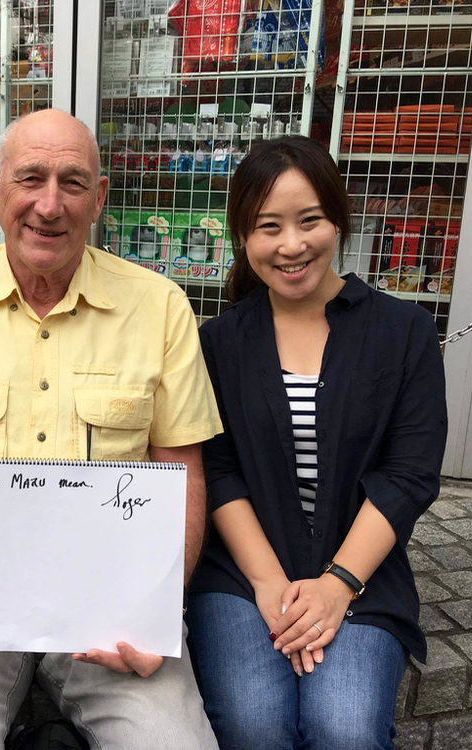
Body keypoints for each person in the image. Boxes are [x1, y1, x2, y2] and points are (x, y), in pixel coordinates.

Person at [0, 108, 221, 750]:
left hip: (110, 605)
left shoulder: (159, 306)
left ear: (99, 198)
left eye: (72, 183)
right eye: (30, 178)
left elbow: (183, 472)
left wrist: (158, 604)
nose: (49, 205)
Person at [185, 136, 447, 750]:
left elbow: (409, 475)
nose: (291, 245)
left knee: (344, 728)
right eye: (268, 226)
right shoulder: (220, 341)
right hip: (243, 572)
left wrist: (336, 585)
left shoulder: (404, 331)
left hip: (360, 573)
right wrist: (268, 582)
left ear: (338, 221)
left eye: (309, 221)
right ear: (242, 237)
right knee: (252, 722)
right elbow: (218, 468)